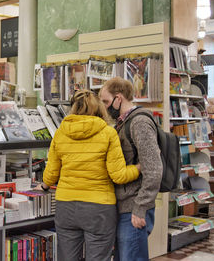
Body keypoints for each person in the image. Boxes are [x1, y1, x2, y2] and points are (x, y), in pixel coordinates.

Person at [37, 90, 140, 261]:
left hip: (66, 206)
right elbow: (119, 175)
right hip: (99, 208)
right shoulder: (108, 133)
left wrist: (43, 186)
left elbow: (51, 175)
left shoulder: (61, 132)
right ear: (100, 109)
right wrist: (138, 167)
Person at [99, 76, 163, 261]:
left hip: (134, 207)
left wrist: (141, 207)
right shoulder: (123, 122)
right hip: (125, 206)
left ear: (119, 98)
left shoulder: (139, 123)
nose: (105, 106)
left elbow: (153, 168)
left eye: (106, 101)